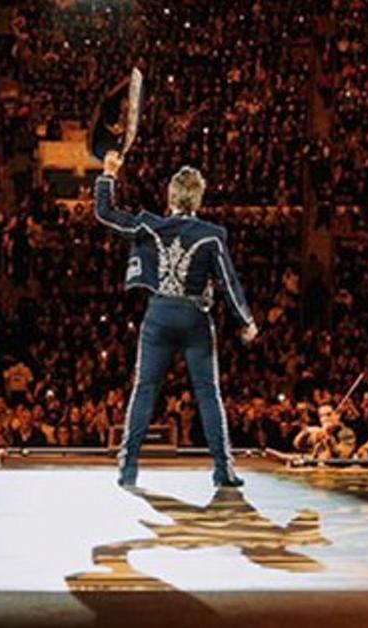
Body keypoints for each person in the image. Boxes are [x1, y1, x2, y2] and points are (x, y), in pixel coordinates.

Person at [95, 150, 257, 487]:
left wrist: (109, 173)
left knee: (145, 390)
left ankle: (128, 468)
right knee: (208, 393)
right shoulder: (211, 235)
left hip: (159, 314)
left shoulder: (152, 225)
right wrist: (246, 321)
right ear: (198, 198)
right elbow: (229, 282)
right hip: (195, 316)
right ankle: (224, 469)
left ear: (170, 196)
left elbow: (106, 213)